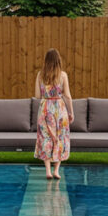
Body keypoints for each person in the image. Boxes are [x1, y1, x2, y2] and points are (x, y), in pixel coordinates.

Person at [34, 49, 73, 180]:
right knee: (60, 137)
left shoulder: (40, 75)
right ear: (58, 61)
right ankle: (56, 170)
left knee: (45, 137)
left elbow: (37, 96)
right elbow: (67, 96)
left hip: (45, 109)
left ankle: (48, 171)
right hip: (59, 109)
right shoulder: (63, 76)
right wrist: (71, 112)